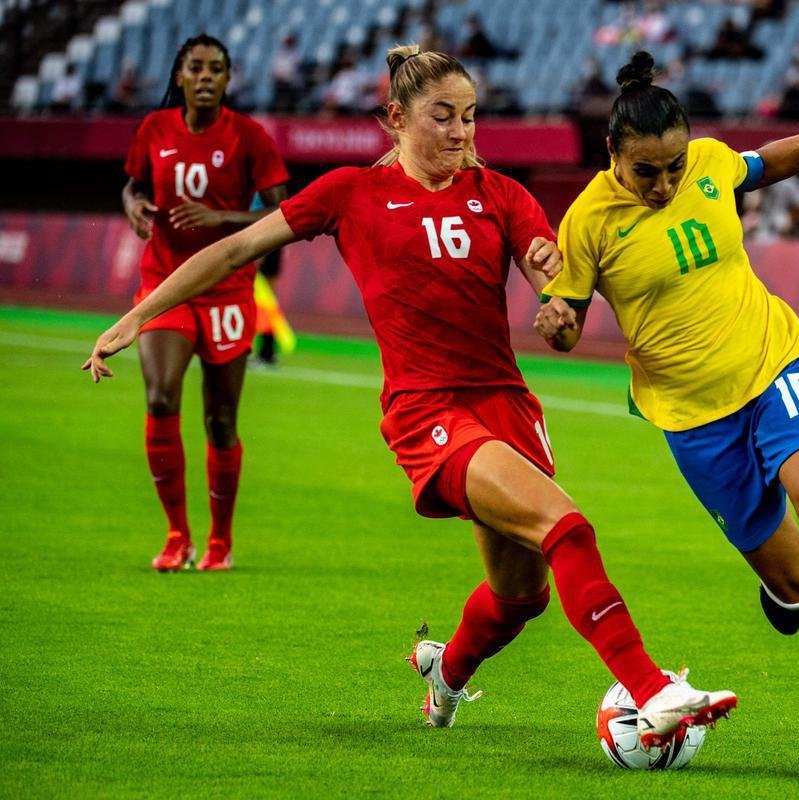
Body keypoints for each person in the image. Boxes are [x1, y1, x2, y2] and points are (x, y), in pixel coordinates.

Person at [84, 45, 737, 747]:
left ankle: (444, 675)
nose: (460, 132)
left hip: (505, 406)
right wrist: (138, 314)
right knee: (567, 526)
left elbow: (545, 265)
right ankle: (653, 688)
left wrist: (554, 286)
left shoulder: (499, 193)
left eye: (470, 117)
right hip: (428, 411)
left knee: (521, 596)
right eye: (442, 117)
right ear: (396, 118)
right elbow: (233, 250)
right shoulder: (349, 193)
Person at [535, 51, 799, 752]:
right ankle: (783, 593)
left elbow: (768, 162)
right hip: (693, 417)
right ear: (612, 155)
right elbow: (565, 317)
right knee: (796, 579)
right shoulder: (588, 223)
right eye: (647, 172)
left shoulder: (712, 164)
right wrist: (561, 324)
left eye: (676, 166)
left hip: (774, 361)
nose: (665, 183)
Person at [116, 34, 290, 572]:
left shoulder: (249, 137)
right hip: (167, 283)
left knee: (220, 421)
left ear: (228, 78)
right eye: (197, 67)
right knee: (162, 397)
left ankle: (220, 541)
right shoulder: (153, 129)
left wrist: (224, 219)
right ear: (181, 76)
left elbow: (284, 216)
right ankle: (176, 535)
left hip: (227, 288)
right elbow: (131, 186)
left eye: (217, 68)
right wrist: (135, 207)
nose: (208, 76)